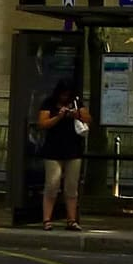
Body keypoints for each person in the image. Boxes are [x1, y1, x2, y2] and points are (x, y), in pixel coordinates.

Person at [37, 79, 90, 231]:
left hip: (73, 150)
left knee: (71, 187)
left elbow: (88, 119)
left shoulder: (77, 103)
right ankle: (47, 219)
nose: (65, 98)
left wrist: (76, 115)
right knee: (52, 185)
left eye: (67, 95)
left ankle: (71, 219)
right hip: (53, 150)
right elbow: (43, 123)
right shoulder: (49, 103)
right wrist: (59, 117)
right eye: (63, 94)